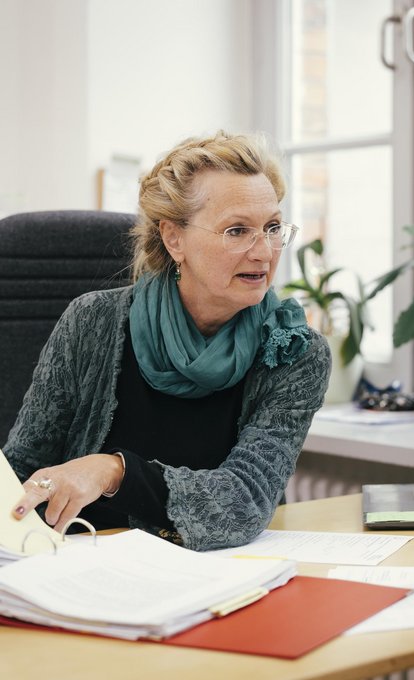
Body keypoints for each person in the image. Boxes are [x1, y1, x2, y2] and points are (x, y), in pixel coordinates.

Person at [6, 131, 331, 551]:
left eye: (271, 227)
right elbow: (20, 470)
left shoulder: (294, 351)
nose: (264, 252)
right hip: (82, 564)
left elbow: (244, 501)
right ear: (173, 238)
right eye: (237, 231)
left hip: (220, 577)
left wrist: (114, 471)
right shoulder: (92, 322)